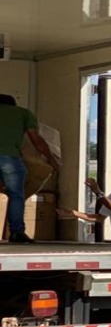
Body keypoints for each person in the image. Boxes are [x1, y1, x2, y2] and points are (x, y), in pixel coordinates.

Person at [0, 93, 60, 243]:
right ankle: (16, 233)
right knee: (16, 195)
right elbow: (36, 140)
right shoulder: (23, 113)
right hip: (9, 158)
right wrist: (51, 160)